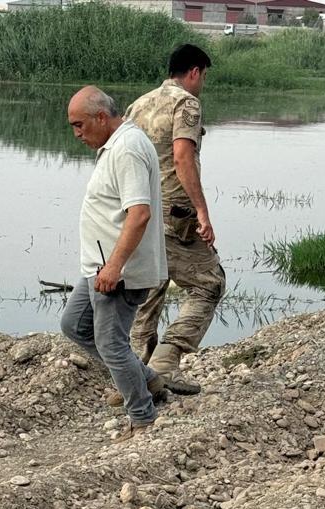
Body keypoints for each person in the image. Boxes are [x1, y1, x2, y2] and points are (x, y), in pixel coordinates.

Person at [60, 86, 168, 443]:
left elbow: (139, 214)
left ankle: (142, 417)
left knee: (111, 343)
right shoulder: (115, 145)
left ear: (101, 117)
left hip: (117, 273)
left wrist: (115, 267)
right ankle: (147, 379)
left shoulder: (127, 149)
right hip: (99, 266)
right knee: (75, 325)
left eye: (80, 125)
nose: (77, 134)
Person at [123, 44, 226, 397]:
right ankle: (166, 361)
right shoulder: (186, 104)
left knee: (148, 290)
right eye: (204, 76)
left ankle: (133, 378)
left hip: (138, 210)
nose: (203, 84)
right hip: (175, 213)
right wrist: (202, 211)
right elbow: (183, 157)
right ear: (194, 72)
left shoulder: (139, 104)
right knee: (209, 283)